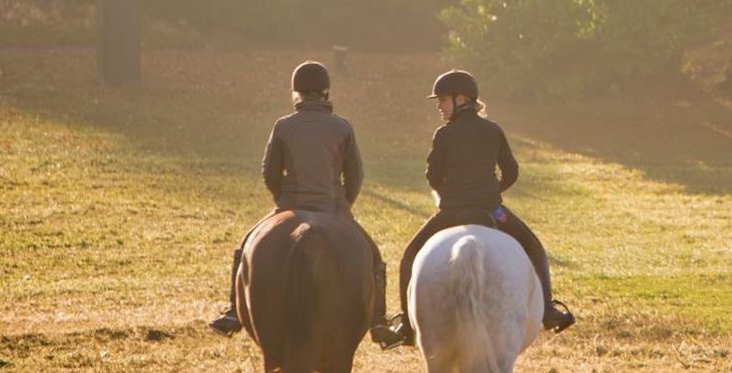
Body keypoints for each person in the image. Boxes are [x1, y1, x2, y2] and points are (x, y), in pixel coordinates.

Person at [208, 61, 407, 348]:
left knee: (245, 246)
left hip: (290, 204)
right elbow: (355, 176)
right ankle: (377, 321)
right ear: (326, 92)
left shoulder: (283, 126)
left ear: (296, 93)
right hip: (333, 207)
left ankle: (233, 313)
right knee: (373, 257)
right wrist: (342, 206)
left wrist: (283, 202)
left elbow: (269, 171)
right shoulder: (342, 127)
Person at [387, 70, 575, 346]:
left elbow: (432, 178)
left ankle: (406, 324)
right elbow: (511, 172)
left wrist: (452, 193)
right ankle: (548, 311)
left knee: (410, 255)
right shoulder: (493, 130)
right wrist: (490, 192)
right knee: (534, 247)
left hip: (450, 212)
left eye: (442, 100)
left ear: (461, 99)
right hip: (493, 211)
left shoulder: (444, 134)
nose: (439, 106)